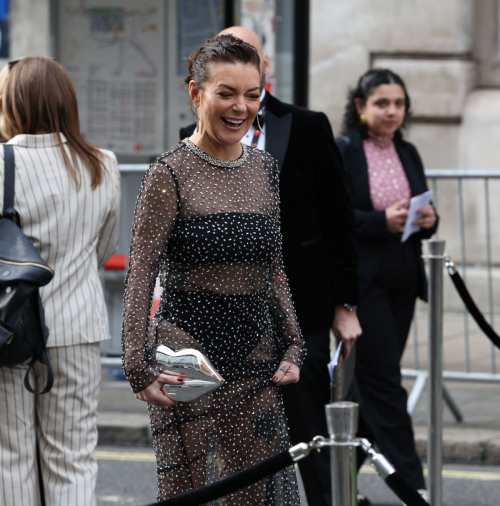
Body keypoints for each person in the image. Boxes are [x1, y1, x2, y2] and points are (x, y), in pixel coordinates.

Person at [180, 26, 361, 506]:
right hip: (222, 314)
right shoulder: (190, 139)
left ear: (263, 67)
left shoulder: (307, 125)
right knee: (238, 443)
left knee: (311, 435)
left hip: (299, 309)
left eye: (250, 56)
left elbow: (339, 223)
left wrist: (346, 305)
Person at [122, 34, 305, 504]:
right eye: (226, 92)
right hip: (186, 353)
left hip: (255, 353)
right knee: (187, 492)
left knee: (252, 494)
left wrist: (294, 343)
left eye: (251, 94)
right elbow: (141, 274)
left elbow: (274, 268)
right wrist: (137, 366)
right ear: (195, 93)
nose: (240, 107)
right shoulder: (169, 173)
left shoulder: (264, 169)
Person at [0, 56, 120, 506]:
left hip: (8, 329)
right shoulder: (102, 165)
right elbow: (101, 249)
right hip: (78, 328)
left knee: (10, 457)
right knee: (72, 457)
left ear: (13, 103)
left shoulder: (1, 162)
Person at [336, 68, 438, 503]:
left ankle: (335, 482)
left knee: (367, 391)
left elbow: (423, 207)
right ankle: (413, 487)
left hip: (403, 279)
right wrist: (382, 221)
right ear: (360, 107)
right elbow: (338, 219)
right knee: (384, 384)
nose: (392, 111)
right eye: (382, 103)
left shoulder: (408, 150)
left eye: (398, 103)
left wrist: (428, 220)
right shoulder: (345, 150)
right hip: (366, 283)